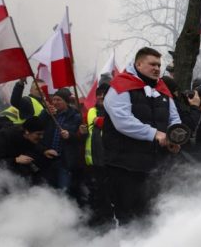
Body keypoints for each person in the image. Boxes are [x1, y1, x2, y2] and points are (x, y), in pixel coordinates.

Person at [102, 47, 181, 225]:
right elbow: (122, 121)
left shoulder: (162, 89)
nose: (156, 68)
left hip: (156, 166)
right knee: (129, 217)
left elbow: (174, 118)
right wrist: (155, 134)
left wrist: (174, 138)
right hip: (125, 165)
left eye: (159, 65)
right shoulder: (120, 86)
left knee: (153, 215)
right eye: (152, 64)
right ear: (138, 64)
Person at [0, 116, 58, 185]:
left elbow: (34, 145)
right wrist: (15, 160)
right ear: (27, 131)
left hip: (14, 175)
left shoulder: (28, 137)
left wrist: (44, 151)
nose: (41, 137)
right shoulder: (3, 137)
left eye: (42, 134)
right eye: (38, 134)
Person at [41, 88, 83, 193]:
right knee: (47, 191)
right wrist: (45, 113)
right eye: (54, 100)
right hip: (48, 160)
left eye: (58, 100)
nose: (55, 102)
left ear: (66, 101)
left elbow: (81, 138)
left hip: (65, 161)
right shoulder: (49, 114)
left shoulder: (76, 116)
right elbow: (37, 127)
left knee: (63, 191)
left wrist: (70, 135)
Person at [84, 81, 111, 226]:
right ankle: (98, 218)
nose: (100, 97)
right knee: (97, 191)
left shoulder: (115, 109)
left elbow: (110, 123)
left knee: (109, 191)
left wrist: (101, 121)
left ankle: (108, 218)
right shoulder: (92, 111)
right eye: (98, 94)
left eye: (104, 94)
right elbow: (96, 121)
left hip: (110, 159)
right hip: (94, 160)